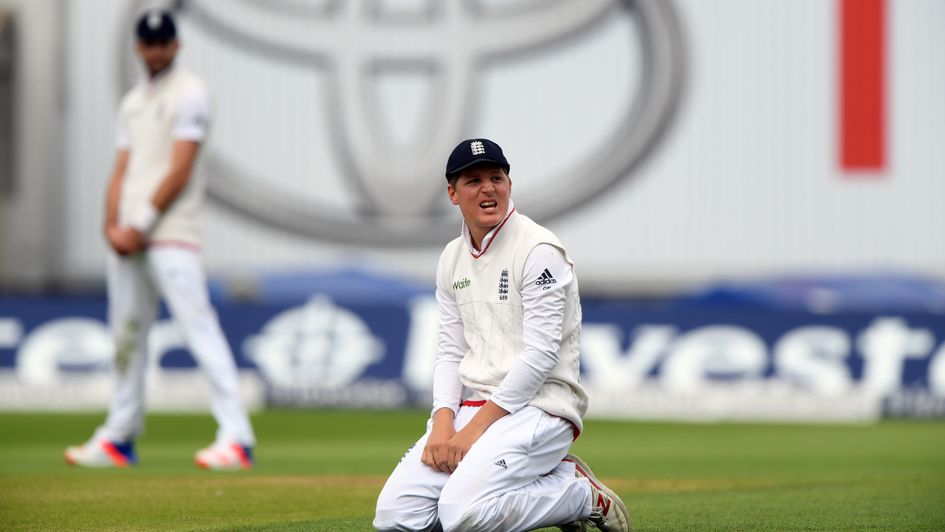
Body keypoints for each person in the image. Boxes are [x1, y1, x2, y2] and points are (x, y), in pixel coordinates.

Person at [373, 139, 630, 531]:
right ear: (453, 193)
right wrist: (442, 423)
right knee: (395, 517)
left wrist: (473, 432)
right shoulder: (451, 257)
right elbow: (450, 351)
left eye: (496, 178)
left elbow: (540, 356)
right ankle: (540, 483)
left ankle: (576, 492)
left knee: (461, 515)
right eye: (474, 181)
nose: (488, 189)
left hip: (542, 406)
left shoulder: (539, 249)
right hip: (475, 405)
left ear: (509, 184)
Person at [64, 9, 256, 470]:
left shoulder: (192, 94)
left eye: (162, 43)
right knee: (126, 337)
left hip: (170, 236)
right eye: (148, 44)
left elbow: (180, 169)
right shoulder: (133, 101)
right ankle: (119, 437)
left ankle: (236, 438)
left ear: (176, 45)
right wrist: (111, 225)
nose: (155, 51)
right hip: (127, 239)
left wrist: (140, 225)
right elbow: (122, 168)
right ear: (138, 47)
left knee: (198, 330)